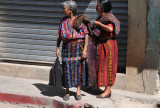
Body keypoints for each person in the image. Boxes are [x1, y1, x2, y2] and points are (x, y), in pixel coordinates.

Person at [56, 0, 89, 101]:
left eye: (64, 8)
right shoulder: (63, 21)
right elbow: (59, 35)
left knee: (79, 69)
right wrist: (57, 47)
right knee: (66, 69)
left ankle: (78, 90)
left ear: (71, 10)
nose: (63, 10)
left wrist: (85, 50)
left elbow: (86, 34)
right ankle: (67, 91)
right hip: (66, 48)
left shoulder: (80, 20)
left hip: (78, 48)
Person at [92, 0, 120, 98]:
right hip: (102, 44)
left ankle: (108, 91)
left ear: (103, 8)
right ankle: (104, 88)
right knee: (102, 67)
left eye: (97, 5)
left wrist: (99, 24)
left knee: (108, 67)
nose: (96, 7)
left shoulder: (109, 17)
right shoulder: (101, 17)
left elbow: (110, 29)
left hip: (109, 46)